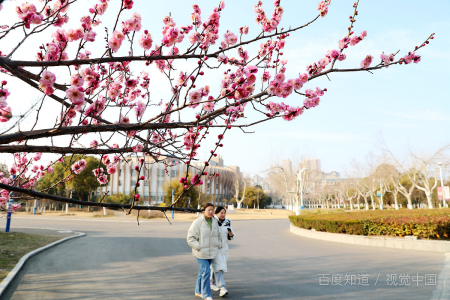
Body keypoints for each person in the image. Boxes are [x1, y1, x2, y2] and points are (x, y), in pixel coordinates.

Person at [187, 202, 220, 300]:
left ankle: (198, 291)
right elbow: (190, 238)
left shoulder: (215, 221)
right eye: (209, 210)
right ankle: (206, 295)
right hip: (200, 252)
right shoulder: (198, 222)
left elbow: (217, 236)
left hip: (211, 252)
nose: (211, 212)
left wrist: (218, 246)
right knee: (206, 271)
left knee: (203, 271)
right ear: (203, 211)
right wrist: (199, 247)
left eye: (212, 210)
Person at [210, 206, 235, 297]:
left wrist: (231, 235)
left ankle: (212, 282)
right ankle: (222, 288)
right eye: (221, 213)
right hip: (214, 249)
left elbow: (231, 235)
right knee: (219, 267)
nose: (223, 214)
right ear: (216, 213)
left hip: (224, 249)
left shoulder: (227, 222)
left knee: (219, 267)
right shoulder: (212, 221)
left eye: (224, 213)